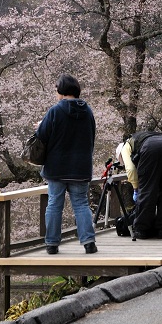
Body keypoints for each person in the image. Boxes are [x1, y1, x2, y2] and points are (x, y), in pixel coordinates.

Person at [37, 74, 98, 255]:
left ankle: (52, 244)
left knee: (55, 203)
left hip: (57, 167)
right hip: (80, 167)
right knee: (81, 203)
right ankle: (89, 242)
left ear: (62, 91)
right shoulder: (88, 111)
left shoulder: (55, 111)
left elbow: (42, 136)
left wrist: (40, 125)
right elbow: (91, 137)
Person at [119, 130, 162, 239]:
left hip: (151, 149)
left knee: (147, 190)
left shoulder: (126, 146)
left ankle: (142, 229)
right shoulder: (145, 137)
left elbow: (130, 169)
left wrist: (135, 188)